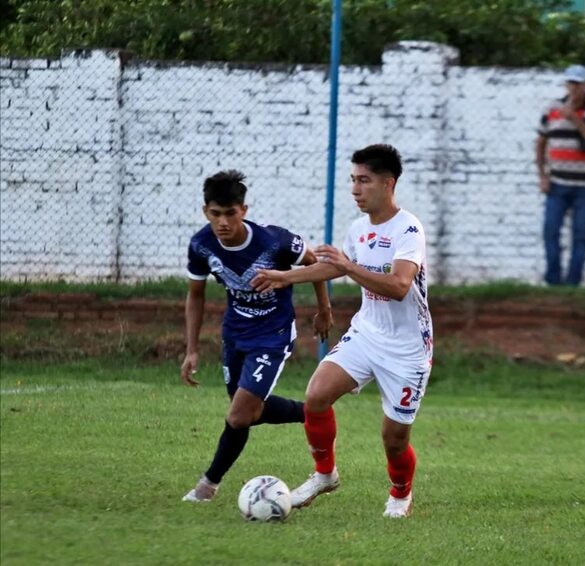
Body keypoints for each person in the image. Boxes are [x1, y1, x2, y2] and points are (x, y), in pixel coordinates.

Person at [252, 144, 433, 518]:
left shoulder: (408, 229)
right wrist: (285, 277)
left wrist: (349, 266)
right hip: (367, 333)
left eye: (363, 180)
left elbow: (399, 286)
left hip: (407, 349)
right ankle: (324, 475)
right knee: (316, 396)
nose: (355, 188)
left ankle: (400, 494)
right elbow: (333, 268)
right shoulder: (358, 229)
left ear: (388, 183)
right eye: (353, 179)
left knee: (394, 439)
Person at [180, 170, 333, 502]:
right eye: (215, 214)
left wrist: (324, 309)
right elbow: (196, 296)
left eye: (230, 213)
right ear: (205, 211)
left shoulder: (273, 241)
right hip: (235, 333)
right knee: (248, 411)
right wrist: (191, 349)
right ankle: (311, 413)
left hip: (272, 335)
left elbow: (316, 266)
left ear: (243, 210)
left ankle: (207, 485)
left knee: (238, 414)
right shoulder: (201, 245)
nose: (223, 222)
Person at [536, 64, 585, 286]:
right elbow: (541, 142)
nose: (573, 88)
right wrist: (542, 175)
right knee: (550, 230)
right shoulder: (552, 109)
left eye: (577, 84)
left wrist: (574, 118)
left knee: (580, 235)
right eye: (570, 83)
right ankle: (554, 282)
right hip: (557, 183)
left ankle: (573, 283)